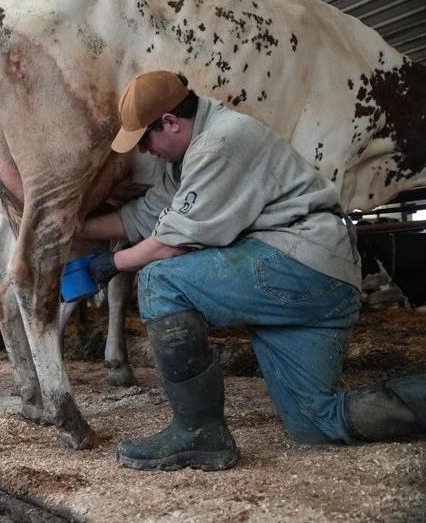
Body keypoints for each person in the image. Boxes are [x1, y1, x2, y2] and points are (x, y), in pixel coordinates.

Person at [79, 70, 426, 471]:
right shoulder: (190, 155)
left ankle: (199, 433)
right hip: (322, 280)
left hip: (299, 263)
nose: (146, 151)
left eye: (145, 140)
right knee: (315, 422)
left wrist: (111, 263)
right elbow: (142, 215)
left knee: (160, 281)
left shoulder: (221, 142)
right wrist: (78, 227)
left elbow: (172, 243)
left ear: (171, 123)